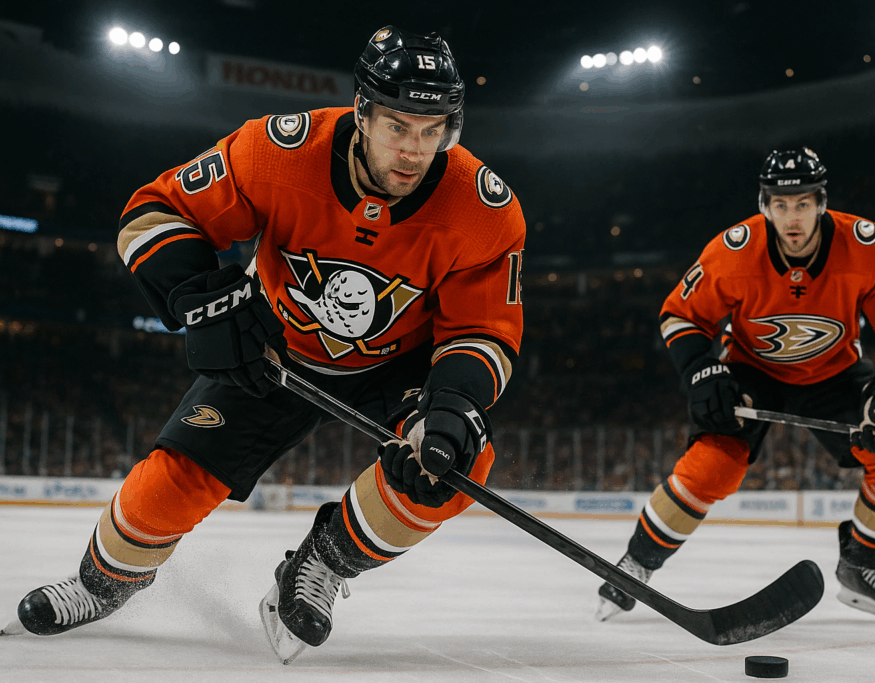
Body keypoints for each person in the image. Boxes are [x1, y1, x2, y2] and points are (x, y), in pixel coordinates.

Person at [4, 26, 526, 665]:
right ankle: (100, 585)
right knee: (165, 488)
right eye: (397, 126)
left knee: (455, 461)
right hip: (273, 349)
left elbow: (483, 330)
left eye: (432, 129)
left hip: (400, 365)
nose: (415, 151)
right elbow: (154, 213)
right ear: (362, 112)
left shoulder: (484, 209)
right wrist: (203, 301)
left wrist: (448, 407)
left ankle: (323, 561)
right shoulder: (280, 151)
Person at [596, 148, 875, 624]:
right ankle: (635, 564)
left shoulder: (869, 246)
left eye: (802, 204)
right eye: (780, 204)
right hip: (750, 369)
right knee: (712, 467)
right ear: (764, 205)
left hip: (836, 372)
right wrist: (701, 371)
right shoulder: (733, 251)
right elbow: (680, 315)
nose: (792, 218)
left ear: (821, 203)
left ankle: (862, 568)